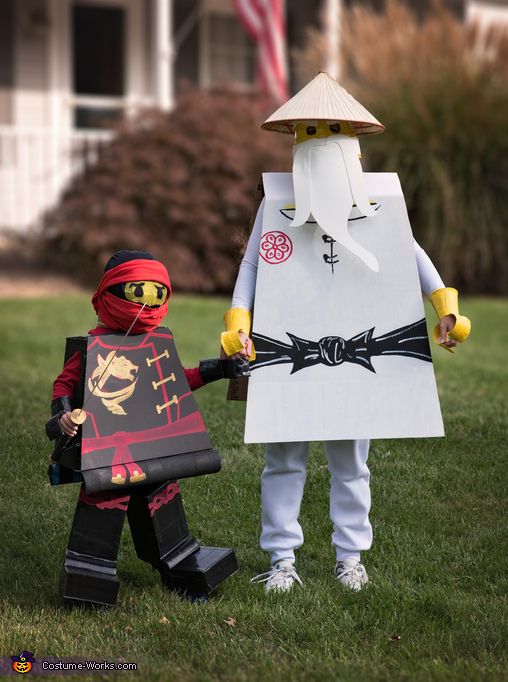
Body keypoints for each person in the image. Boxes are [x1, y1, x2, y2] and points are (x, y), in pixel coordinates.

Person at [221, 73, 471, 593]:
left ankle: (350, 556)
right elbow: (252, 268)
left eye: (329, 131)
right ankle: (282, 559)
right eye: (311, 132)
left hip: (361, 360)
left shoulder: (379, 205)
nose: (320, 141)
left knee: (351, 462)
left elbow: (411, 254)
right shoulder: (277, 205)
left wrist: (445, 306)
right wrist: (238, 324)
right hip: (287, 355)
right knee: (283, 459)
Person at [47, 249, 243, 606]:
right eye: (138, 293)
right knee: (103, 507)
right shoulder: (91, 347)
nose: (147, 304)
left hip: (155, 449)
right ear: (110, 293)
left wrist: (219, 369)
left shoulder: (156, 344)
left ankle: (182, 562)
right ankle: (88, 573)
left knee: (162, 502)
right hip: (107, 456)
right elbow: (64, 385)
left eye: (157, 293)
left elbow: (177, 380)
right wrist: (62, 415)